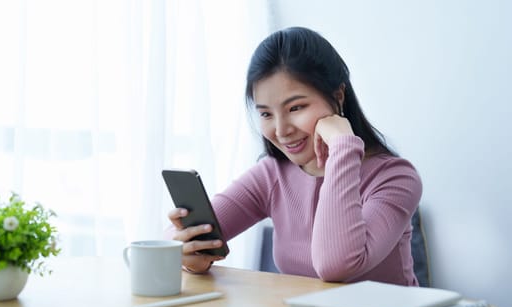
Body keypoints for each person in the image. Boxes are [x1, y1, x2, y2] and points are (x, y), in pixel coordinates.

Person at [166, 27, 422, 286]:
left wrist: (343, 147)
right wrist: (189, 258)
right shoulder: (272, 174)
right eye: (266, 114)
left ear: (338, 96)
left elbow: (337, 266)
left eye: (296, 107)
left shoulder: (395, 178)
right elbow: (174, 238)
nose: (281, 130)